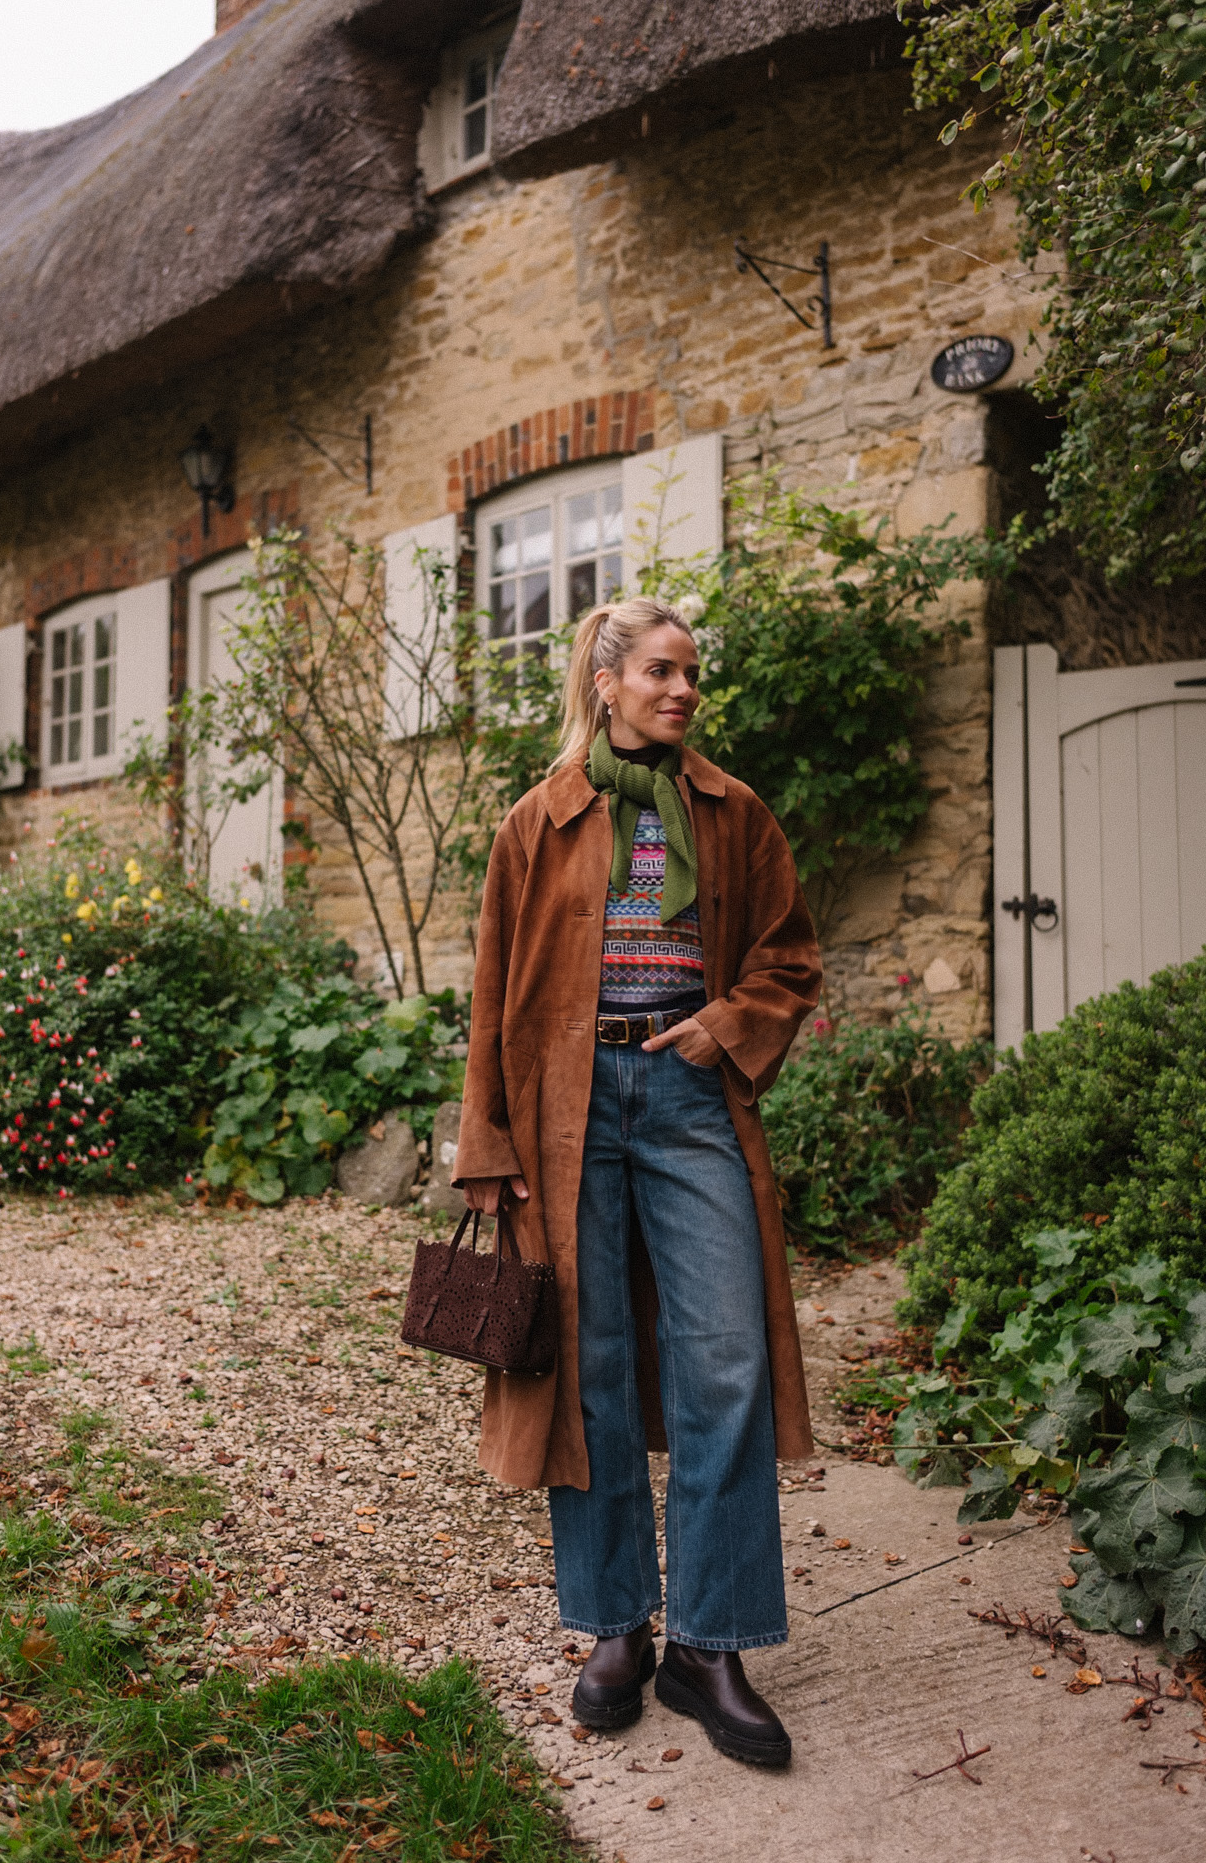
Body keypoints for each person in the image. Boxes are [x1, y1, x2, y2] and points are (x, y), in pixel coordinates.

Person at [453, 594, 822, 1767]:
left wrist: (729, 1024)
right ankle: (617, 1627)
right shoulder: (537, 821)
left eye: (691, 676)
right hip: (565, 1107)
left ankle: (710, 1647)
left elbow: (789, 954)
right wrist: (487, 1145)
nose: (681, 693)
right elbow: (493, 992)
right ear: (603, 681)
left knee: (727, 1358)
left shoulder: (731, 811)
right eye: (660, 672)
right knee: (590, 1363)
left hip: (684, 1096)